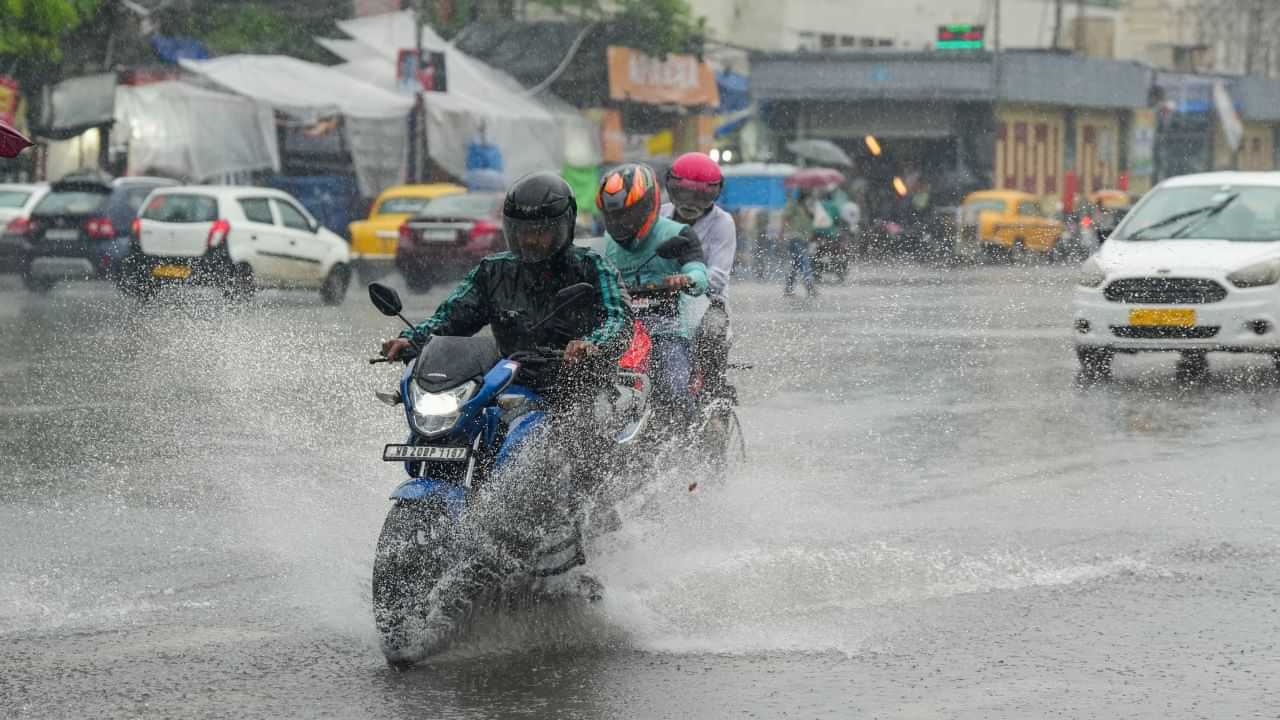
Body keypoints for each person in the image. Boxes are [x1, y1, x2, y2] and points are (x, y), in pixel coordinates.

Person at [382, 171, 633, 394]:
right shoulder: (492, 271)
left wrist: (591, 345)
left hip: (577, 387)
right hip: (506, 383)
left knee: (582, 438)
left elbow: (618, 319)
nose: (529, 240)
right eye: (521, 231)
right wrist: (414, 339)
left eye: (539, 231)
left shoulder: (593, 267)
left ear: (564, 227)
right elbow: (451, 317)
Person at [596, 162, 709, 429]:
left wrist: (686, 278)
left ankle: (692, 439)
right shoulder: (607, 243)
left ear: (649, 204)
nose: (621, 223)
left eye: (629, 214)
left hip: (668, 329)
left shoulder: (677, 233)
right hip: (621, 331)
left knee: (672, 386)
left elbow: (700, 273)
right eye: (615, 216)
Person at [660, 152, 736, 397]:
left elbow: (718, 275)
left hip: (706, 303)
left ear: (715, 194)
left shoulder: (724, 222)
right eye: (684, 194)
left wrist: (688, 280)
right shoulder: (659, 216)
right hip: (657, 298)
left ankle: (713, 396)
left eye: (701, 196)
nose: (691, 203)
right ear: (671, 188)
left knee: (712, 332)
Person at [782, 188, 817, 297]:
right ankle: (809, 286)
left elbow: (812, 219)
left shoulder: (808, 206)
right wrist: (782, 232)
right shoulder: (793, 204)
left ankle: (789, 287)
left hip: (805, 238)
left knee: (795, 264)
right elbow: (785, 217)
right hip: (795, 237)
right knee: (804, 261)